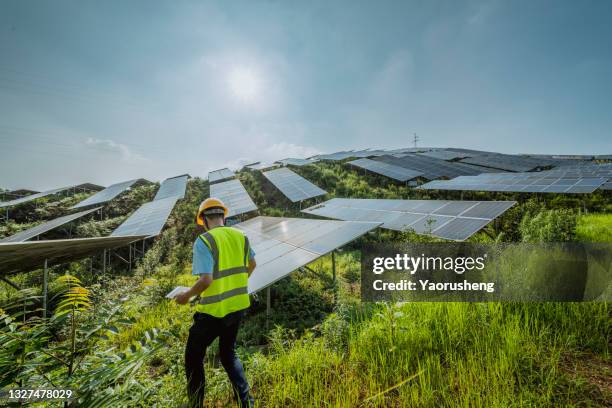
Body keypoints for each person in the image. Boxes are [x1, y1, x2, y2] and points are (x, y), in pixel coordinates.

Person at [175, 197, 256, 407]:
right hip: (237, 307)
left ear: (203, 219)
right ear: (223, 216)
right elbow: (253, 264)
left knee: (193, 357)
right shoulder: (241, 236)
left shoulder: (205, 240)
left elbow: (206, 280)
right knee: (228, 354)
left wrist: (187, 296)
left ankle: (195, 404)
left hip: (212, 312)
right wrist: (235, 283)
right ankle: (246, 403)